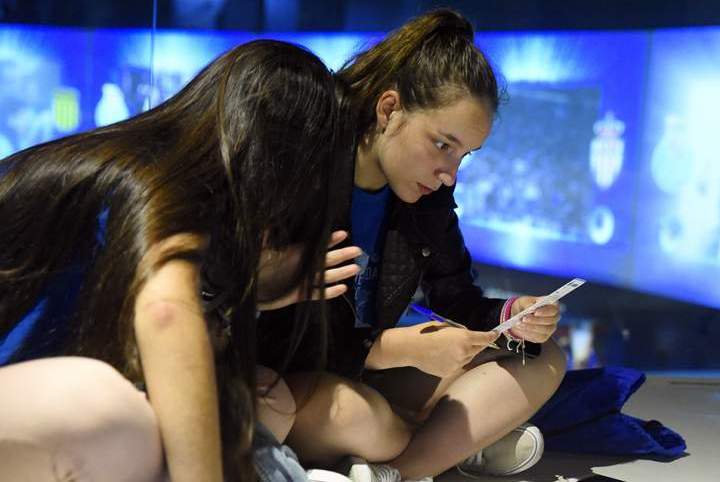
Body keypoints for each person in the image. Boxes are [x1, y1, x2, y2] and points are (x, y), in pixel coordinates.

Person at [0, 39, 359, 482]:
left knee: (255, 405)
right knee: (117, 417)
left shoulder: (150, 171)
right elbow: (166, 315)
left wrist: (252, 291)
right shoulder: (163, 191)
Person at [258, 10, 568, 481]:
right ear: (389, 110)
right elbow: (272, 334)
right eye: (443, 145)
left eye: (463, 155)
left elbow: (457, 299)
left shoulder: (429, 199)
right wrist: (394, 349)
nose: (450, 174)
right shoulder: (304, 172)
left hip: (364, 374)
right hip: (289, 383)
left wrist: (515, 316)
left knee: (543, 359)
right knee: (362, 419)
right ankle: (439, 448)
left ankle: (396, 470)